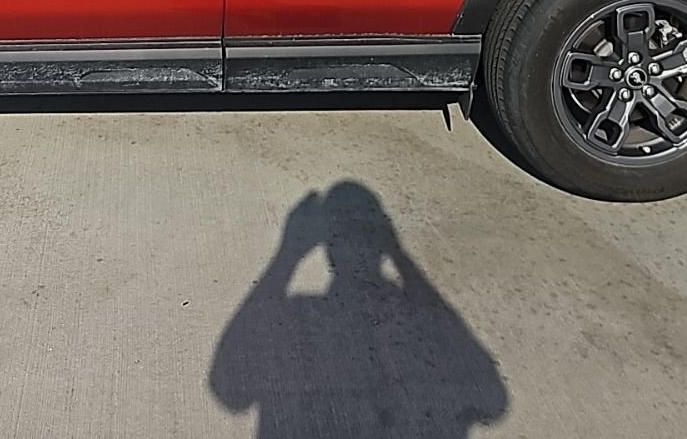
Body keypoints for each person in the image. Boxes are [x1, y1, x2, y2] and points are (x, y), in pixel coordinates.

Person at [210, 181, 508, 438]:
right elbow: (493, 401)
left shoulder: (299, 313)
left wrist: (287, 255)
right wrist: (399, 253)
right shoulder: (398, 311)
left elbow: (228, 387)